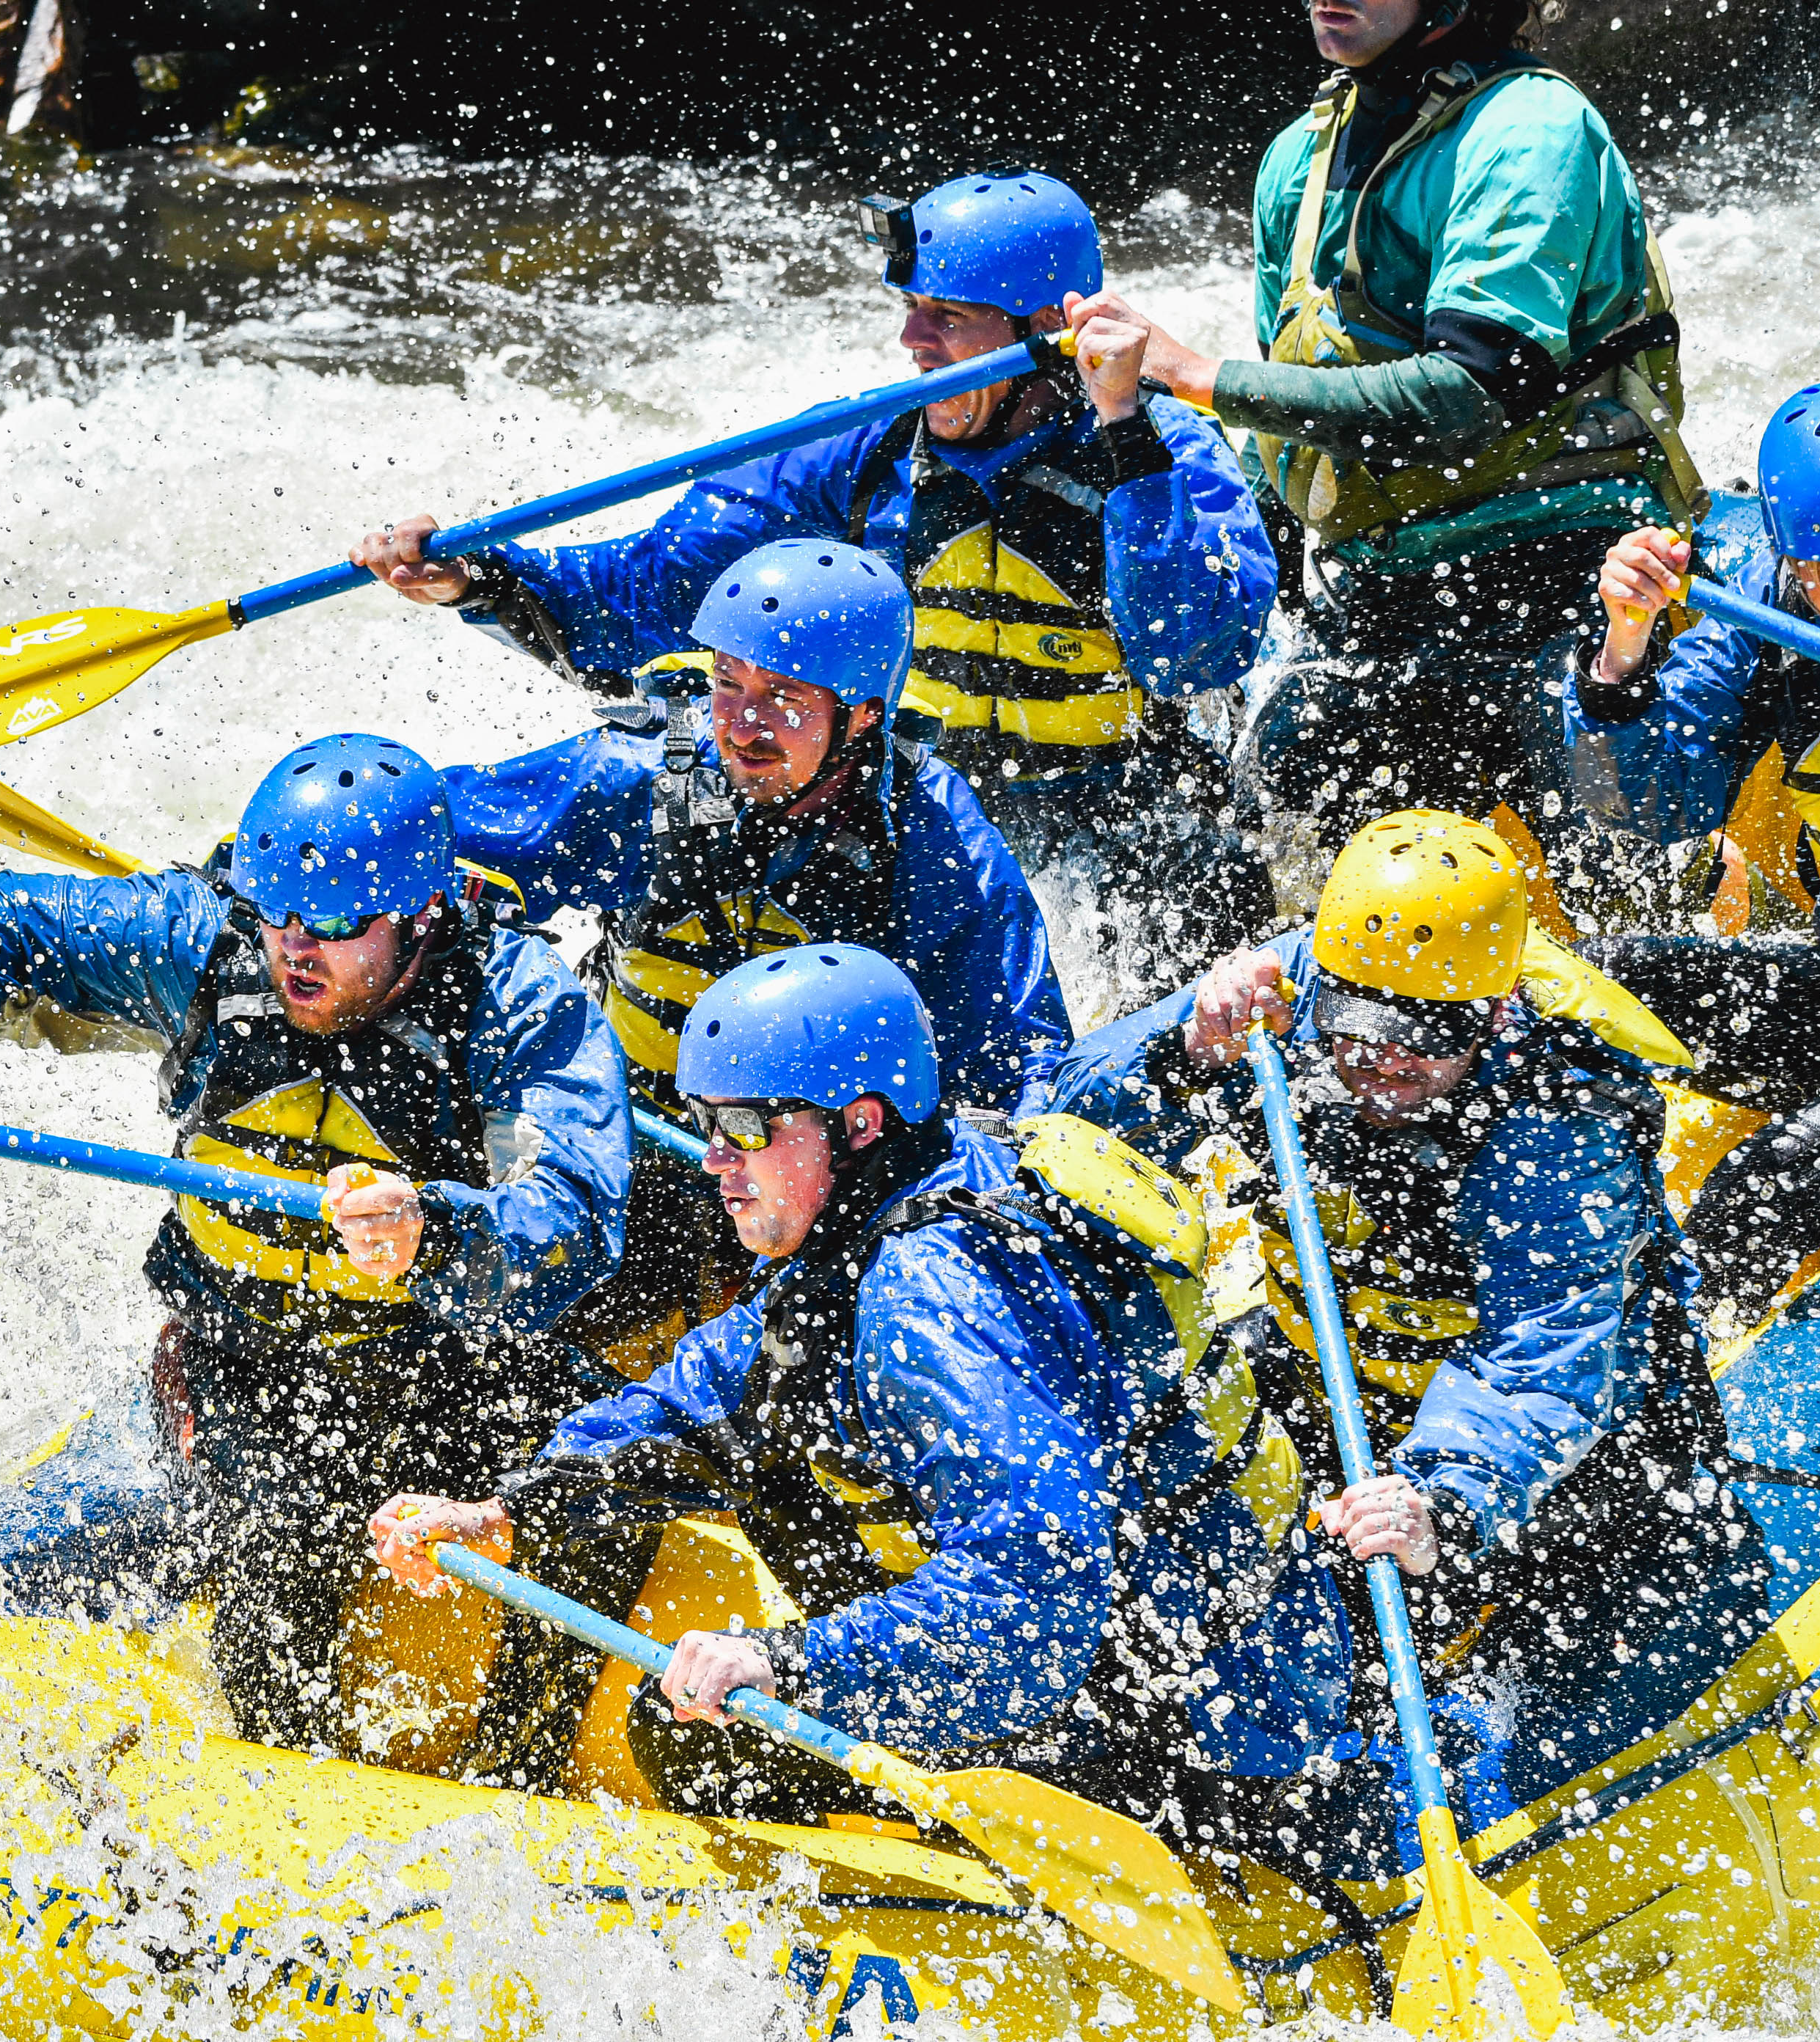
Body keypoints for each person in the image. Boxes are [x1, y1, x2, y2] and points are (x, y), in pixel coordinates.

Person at [372, 945, 1354, 1831]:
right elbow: (704, 1396)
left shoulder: (928, 1298)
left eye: (745, 1126)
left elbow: (1039, 1596)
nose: (715, 1161)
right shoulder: (910, 1196)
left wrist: (791, 1666)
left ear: (858, 1124)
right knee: (763, 1461)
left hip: (1198, 1735)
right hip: (1156, 1659)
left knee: (696, 1739)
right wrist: (505, 1507)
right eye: (704, 1124)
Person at [0, 733, 633, 1754]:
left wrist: (437, 1232)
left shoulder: (514, 1000)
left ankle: (527, 1761)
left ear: (422, 913)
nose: (295, 949)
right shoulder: (203, 941)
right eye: (277, 913)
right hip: (246, 1370)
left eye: (336, 925)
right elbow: (4, 917)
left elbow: (578, 1218)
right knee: (275, 1553)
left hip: (439, 1362)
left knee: (608, 1483)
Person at [355, 171, 1278, 1013]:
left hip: (1124, 833)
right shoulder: (866, 451)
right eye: (911, 309)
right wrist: (480, 578)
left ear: (1047, 328)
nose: (911, 341)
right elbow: (646, 595)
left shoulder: (1163, 449)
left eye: (948, 317)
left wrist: (1123, 429)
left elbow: (1195, 653)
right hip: (920, 819)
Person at [1047, 809, 1768, 1808]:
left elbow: (1540, 1358)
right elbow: (1060, 1131)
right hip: (1338, 1383)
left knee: (1545, 1609)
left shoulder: (1559, 1123)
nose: (1384, 1067)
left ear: (1494, 1014)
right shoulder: (1286, 991)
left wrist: (1442, 1504)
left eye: (1424, 1045)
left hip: (1564, 1458)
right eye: (1362, 1032)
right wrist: (1181, 1051)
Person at [1067, 0, 1703, 895]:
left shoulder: (1532, 129)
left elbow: (1467, 396)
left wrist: (1197, 375)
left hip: (1565, 575)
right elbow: (1296, 413)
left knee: (1620, 897)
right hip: (1378, 588)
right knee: (1244, 857)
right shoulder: (1299, 157)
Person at [439, 537, 1068, 1373]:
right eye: (728, 682)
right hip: (630, 1131)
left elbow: (1016, 1074)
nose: (741, 725)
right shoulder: (643, 777)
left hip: (805, 1171)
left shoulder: (937, 846)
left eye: (784, 696)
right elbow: (418, 836)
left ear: (863, 714)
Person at [1567, 378, 1820, 1330]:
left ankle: (1696, 1377)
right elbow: (1653, 805)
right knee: (1584, 995)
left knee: (1761, 1192)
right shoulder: (1768, 612)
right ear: (1796, 566)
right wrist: (1622, 655)